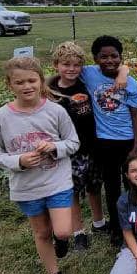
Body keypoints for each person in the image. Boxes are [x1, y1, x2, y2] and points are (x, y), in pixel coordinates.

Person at [0, 57, 80, 274]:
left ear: (41, 81)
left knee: (62, 230)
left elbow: (73, 142)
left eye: (31, 80)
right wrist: (18, 161)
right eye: (20, 82)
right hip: (27, 186)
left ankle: (62, 240)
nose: (27, 86)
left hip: (57, 181)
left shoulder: (55, 111)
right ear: (9, 85)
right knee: (42, 232)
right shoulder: (1, 118)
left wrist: (54, 147)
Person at [82, 35, 137, 246]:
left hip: (126, 140)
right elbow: (65, 72)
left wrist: (136, 145)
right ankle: (117, 227)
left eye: (114, 56)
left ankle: (135, 224)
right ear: (95, 59)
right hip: (103, 142)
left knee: (132, 184)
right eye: (104, 57)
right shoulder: (89, 74)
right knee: (112, 186)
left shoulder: (130, 83)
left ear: (120, 57)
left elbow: (136, 115)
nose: (109, 60)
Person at [48, 41, 101, 251]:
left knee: (94, 186)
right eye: (66, 64)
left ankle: (99, 221)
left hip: (92, 145)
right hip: (68, 150)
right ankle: (79, 231)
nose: (71, 69)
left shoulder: (86, 84)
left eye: (76, 65)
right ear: (56, 65)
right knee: (73, 191)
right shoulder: (50, 93)